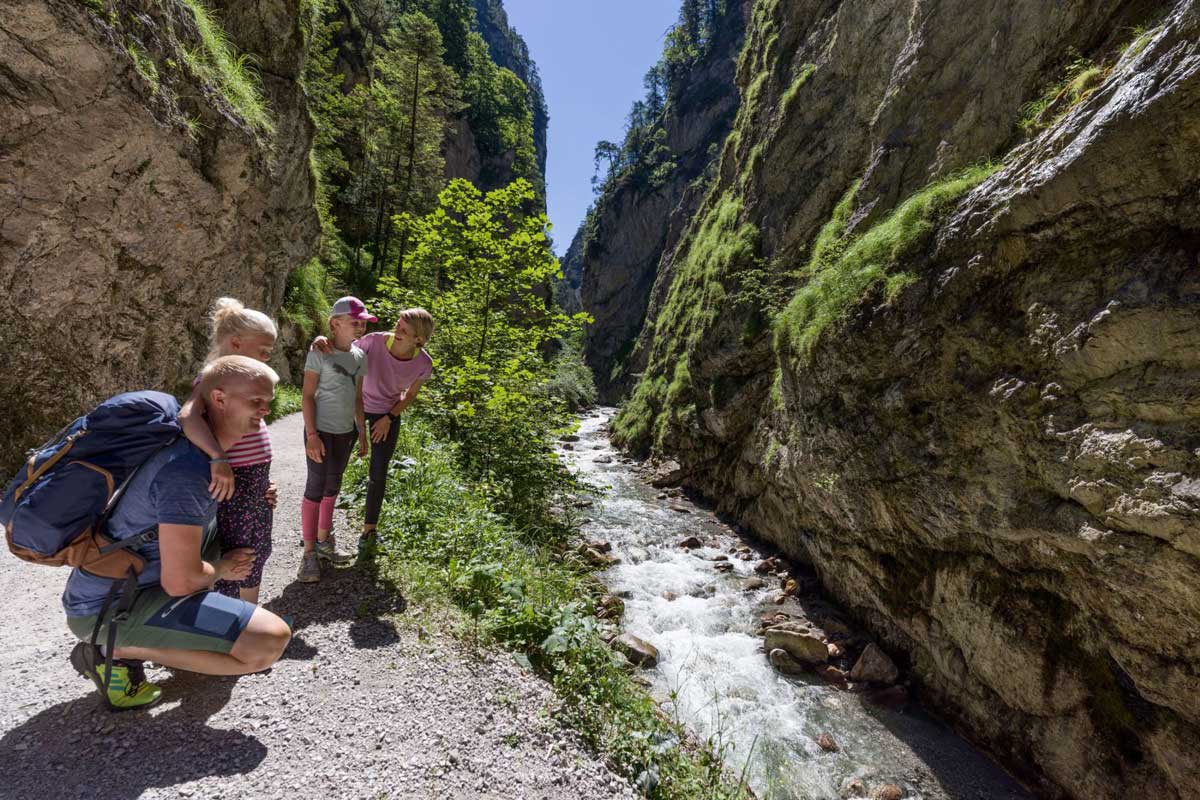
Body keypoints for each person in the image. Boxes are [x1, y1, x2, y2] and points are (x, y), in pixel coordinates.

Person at [66, 356, 292, 710]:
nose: (265, 409)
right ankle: (111, 649)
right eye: (255, 401)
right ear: (219, 399)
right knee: (267, 643)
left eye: (269, 401)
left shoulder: (204, 455)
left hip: (136, 589)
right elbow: (182, 582)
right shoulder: (187, 473)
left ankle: (155, 640)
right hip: (106, 609)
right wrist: (222, 567)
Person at [312, 308, 433, 562]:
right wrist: (322, 342)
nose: (397, 331)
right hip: (353, 407)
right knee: (335, 467)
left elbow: (410, 395)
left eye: (404, 331)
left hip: (386, 414)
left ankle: (369, 532)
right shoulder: (375, 341)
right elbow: (344, 351)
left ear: (419, 340)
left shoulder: (424, 363)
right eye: (398, 325)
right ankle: (322, 532)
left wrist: (389, 418)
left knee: (378, 473)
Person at [178, 298, 278, 604]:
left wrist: (263, 484)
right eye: (263, 351)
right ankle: (236, 622)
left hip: (253, 483)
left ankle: (249, 616)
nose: (266, 359)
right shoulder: (212, 378)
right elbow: (188, 417)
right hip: (234, 485)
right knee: (239, 555)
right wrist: (219, 458)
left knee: (257, 550)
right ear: (236, 343)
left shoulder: (245, 382)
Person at [297, 296, 370, 583]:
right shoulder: (319, 353)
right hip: (321, 432)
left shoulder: (360, 357)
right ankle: (309, 553)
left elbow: (358, 397)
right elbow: (306, 396)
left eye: (363, 322)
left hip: (345, 434)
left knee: (333, 486)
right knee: (315, 487)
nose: (360, 327)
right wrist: (312, 435)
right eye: (355, 322)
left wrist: (361, 432)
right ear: (335, 324)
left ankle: (325, 542)